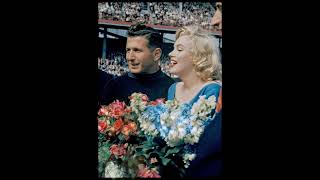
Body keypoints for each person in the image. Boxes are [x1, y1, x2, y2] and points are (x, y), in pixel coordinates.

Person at [167, 25, 222, 177]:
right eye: (173, 48)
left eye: (179, 49)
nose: (171, 53)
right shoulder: (173, 88)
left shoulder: (212, 90)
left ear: (198, 56)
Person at [100, 23, 175, 105]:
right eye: (128, 50)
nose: (129, 57)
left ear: (156, 54)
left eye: (137, 50)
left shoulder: (172, 89)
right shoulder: (114, 86)